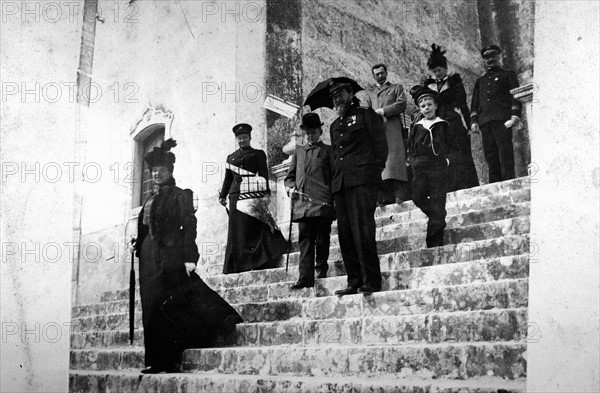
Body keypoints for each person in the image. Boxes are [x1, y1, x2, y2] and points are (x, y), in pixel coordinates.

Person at [133, 138, 241, 374]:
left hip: (170, 256)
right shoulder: (149, 200)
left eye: (161, 170)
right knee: (151, 307)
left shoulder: (181, 195)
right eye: (154, 171)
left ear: (170, 171)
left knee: (170, 306)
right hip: (149, 260)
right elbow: (143, 230)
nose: (157, 174)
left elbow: (188, 226)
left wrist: (189, 257)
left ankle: (169, 359)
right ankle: (155, 360)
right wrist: (137, 244)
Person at [328, 79, 388, 295]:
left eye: (339, 94)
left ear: (350, 93)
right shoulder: (334, 126)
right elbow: (336, 156)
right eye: (333, 96)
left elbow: (381, 146)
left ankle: (371, 280)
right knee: (345, 233)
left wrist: (373, 173)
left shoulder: (365, 115)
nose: (336, 99)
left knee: (363, 229)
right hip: (341, 184)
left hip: (363, 179)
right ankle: (353, 280)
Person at [219, 123, 287, 274]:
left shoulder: (258, 154)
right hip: (235, 196)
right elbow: (228, 179)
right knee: (239, 230)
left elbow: (263, 174)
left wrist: (266, 192)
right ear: (236, 139)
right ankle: (239, 264)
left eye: (244, 137)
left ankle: (259, 260)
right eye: (239, 138)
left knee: (255, 226)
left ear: (250, 138)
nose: (242, 140)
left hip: (253, 194)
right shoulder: (231, 158)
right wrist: (223, 195)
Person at [284, 113, 335, 289]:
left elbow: (334, 176)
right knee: (305, 240)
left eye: (313, 132)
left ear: (320, 131)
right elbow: (289, 177)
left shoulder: (328, 151)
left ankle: (321, 268)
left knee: (322, 239)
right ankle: (305, 277)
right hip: (303, 204)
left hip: (322, 202)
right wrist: (290, 188)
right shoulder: (299, 152)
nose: (310, 136)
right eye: (307, 133)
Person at [423, 44, 479, 191]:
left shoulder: (454, 82)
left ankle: (467, 185)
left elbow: (462, 104)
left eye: (439, 70)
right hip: (437, 124)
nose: (437, 74)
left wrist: (468, 124)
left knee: (460, 154)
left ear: (445, 68)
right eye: (434, 71)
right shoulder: (429, 86)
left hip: (453, 122)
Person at [470, 44, 522, 183]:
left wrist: (515, 115)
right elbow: (475, 102)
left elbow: (515, 96)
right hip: (485, 121)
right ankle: (494, 184)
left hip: (502, 119)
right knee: (490, 155)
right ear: (484, 60)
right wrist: (474, 121)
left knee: (505, 152)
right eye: (486, 57)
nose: (490, 59)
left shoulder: (508, 74)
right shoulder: (480, 81)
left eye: (493, 56)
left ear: (499, 56)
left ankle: (509, 181)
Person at [407, 86, 450, 250]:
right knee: (417, 196)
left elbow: (451, 145)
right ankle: (439, 216)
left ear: (435, 106)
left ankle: (434, 244)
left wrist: (447, 160)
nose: (427, 108)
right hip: (421, 168)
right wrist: (413, 162)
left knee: (438, 202)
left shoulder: (442, 125)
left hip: (438, 167)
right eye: (423, 106)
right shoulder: (417, 127)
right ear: (420, 109)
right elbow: (411, 146)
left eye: (429, 104)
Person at [369, 63, 410, 205]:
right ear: (373, 76)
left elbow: (401, 104)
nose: (380, 76)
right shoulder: (372, 94)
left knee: (395, 162)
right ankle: (386, 197)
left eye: (382, 73)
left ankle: (400, 194)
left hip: (392, 128)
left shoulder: (396, 88)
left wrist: (384, 111)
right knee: (383, 163)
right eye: (377, 74)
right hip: (378, 131)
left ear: (386, 73)